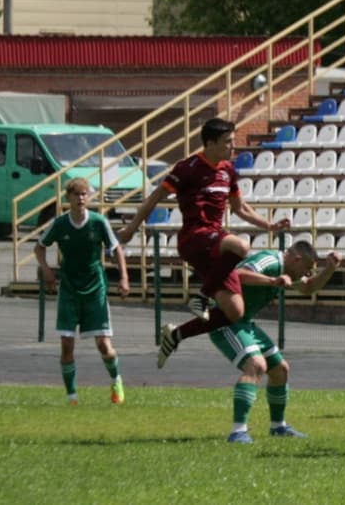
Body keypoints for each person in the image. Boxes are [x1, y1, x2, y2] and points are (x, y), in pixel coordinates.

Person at [116, 117, 290, 368]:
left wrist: (269, 225)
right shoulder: (187, 168)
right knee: (241, 247)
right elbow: (155, 196)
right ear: (210, 143)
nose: (233, 147)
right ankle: (202, 296)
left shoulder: (227, 170)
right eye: (228, 142)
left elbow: (240, 208)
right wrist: (133, 227)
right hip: (194, 238)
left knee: (235, 312)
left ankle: (176, 335)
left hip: (215, 246)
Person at [212, 240, 340, 443]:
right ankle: (238, 431)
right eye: (306, 268)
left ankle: (278, 427)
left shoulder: (286, 271)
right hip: (223, 318)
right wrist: (271, 281)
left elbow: (307, 288)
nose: (306, 274)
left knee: (280, 369)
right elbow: (237, 275)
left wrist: (329, 270)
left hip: (243, 322)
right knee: (256, 365)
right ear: (296, 259)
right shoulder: (269, 261)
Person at [36, 176, 130, 405]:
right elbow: (39, 248)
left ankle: (116, 379)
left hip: (95, 288)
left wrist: (124, 277)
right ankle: (72, 396)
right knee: (67, 344)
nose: (81, 198)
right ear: (68, 197)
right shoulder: (59, 224)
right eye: (76, 194)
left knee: (104, 345)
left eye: (84, 194)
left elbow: (116, 249)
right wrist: (47, 269)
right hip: (69, 288)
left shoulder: (98, 222)